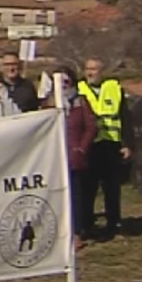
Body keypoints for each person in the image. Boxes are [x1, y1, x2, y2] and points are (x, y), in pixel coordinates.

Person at [78, 57, 133, 240]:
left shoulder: (115, 89)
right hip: (89, 146)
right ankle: (86, 226)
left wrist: (127, 144)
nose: (91, 73)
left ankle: (114, 225)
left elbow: (125, 118)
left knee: (112, 189)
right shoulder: (79, 91)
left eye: (94, 69)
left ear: (102, 71)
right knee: (87, 189)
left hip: (111, 145)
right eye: (88, 69)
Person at [55, 66, 98, 248]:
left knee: (76, 196)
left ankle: (77, 232)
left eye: (66, 81)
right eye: (59, 82)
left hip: (74, 156)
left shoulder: (80, 102)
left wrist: (81, 148)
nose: (63, 85)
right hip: (54, 156)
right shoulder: (50, 101)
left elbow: (91, 126)